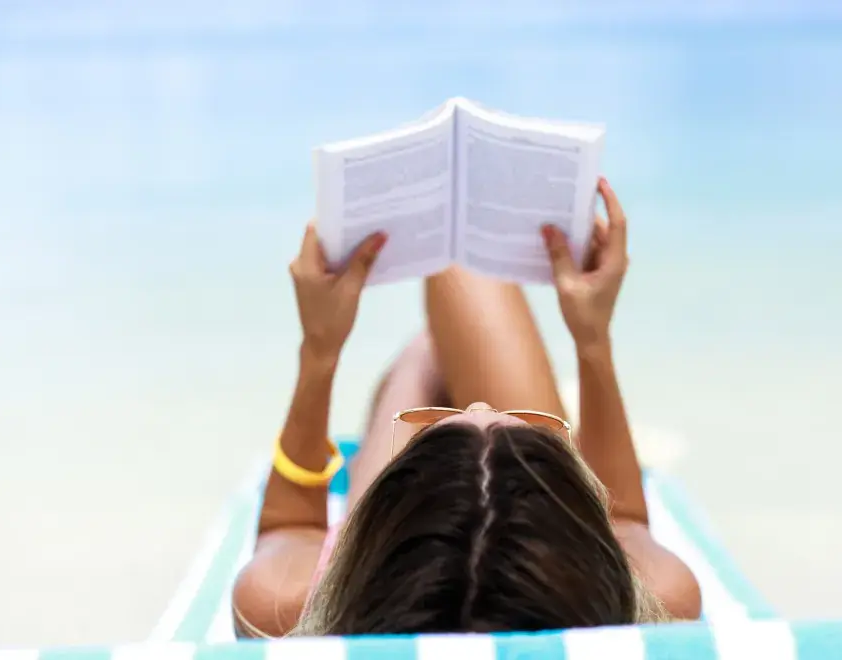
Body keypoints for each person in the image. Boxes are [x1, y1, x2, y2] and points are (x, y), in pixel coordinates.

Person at [231, 178, 702, 637]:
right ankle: (453, 358)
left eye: (439, 432)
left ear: (383, 531)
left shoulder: (281, 606)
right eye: (522, 433)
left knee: (429, 344)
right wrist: (593, 339)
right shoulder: (662, 602)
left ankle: (436, 352)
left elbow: (288, 524)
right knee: (463, 271)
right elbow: (625, 520)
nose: (480, 404)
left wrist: (320, 349)